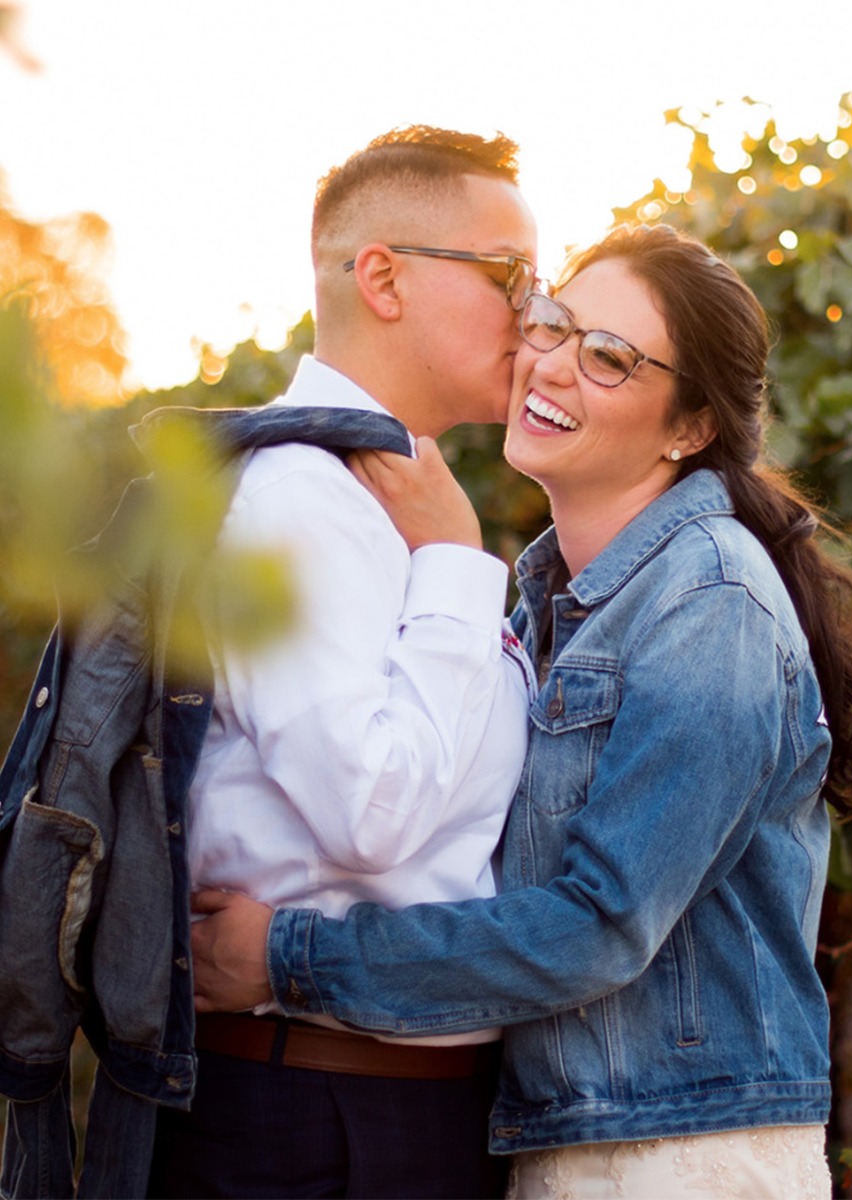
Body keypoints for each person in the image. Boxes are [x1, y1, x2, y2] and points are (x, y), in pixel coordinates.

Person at [190, 224, 852, 1200]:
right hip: (568, 1137)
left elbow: (601, 924)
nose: (550, 365)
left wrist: (289, 958)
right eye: (554, 324)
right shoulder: (549, 600)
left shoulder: (710, 603)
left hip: (682, 1155)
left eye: (608, 357)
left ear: (688, 428)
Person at [148, 125, 538, 1200]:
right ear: (383, 278)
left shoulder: (388, 501)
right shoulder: (299, 500)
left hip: (399, 1109)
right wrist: (462, 567)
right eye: (510, 274)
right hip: (316, 1124)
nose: (536, 312)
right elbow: (372, 813)